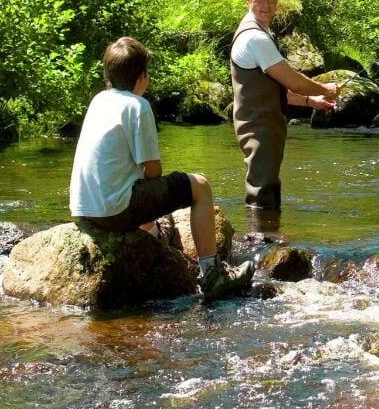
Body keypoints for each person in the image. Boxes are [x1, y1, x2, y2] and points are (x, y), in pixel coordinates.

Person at [69, 37, 254, 303]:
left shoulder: (98, 101)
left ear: (107, 74)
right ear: (142, 76)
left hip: (84, 210)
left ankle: (155, 234)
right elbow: (153, 171)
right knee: (199, 185)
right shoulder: (137, 106)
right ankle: (212, 275)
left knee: (136, 187)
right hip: (114, 212)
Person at [230, 0, 339, 210]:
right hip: (258, 128)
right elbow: (293, 82)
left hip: (260, 126)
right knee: (262, 195)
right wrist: (326, 88)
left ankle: (267, 241)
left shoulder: (257, 32)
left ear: (278, 0)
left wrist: (312, 101)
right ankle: (260, 245)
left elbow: (274, 89)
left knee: (267, 190)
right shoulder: (255, 38)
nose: (266, 5)